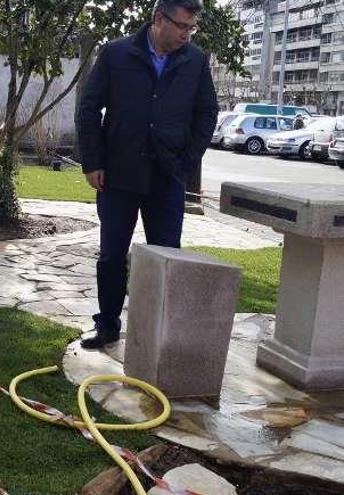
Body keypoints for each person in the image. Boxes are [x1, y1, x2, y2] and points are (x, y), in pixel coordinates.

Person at [76, 0, 218, 349]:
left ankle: (157, 330)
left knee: (166, 256)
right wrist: (93, 162)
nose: (187, 34)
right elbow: (89, 107)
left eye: (191, 28)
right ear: (159, 19)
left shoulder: (195, 61)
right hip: (118, 176)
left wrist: (187, 161)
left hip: (167, 177)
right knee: (111, 255)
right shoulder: (116, 54)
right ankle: (107, 324)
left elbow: (207, 114)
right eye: (182, 26)